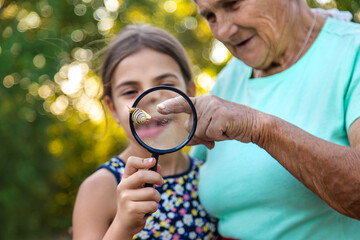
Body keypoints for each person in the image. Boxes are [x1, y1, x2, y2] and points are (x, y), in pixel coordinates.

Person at [157, 0, 360, 239]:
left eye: (233, 4)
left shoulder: (351, 50)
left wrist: (258, 127)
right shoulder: (228, 79)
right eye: (210, 16)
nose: (223, 31)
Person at [72, 24, 218, 239]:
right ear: (112, 109)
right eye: (130, 91)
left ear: (190, 93)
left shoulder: (209, 175)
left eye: (166, 84)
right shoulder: (100, 188)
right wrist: (122, 226)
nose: (150, 98)